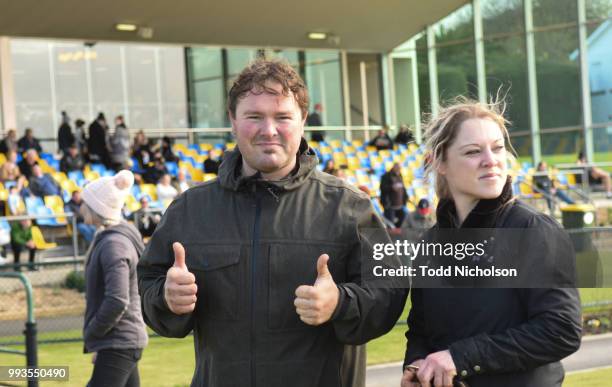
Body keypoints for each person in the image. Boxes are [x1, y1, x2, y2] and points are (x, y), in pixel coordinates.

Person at [137, 59, 407, 386]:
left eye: (282, 117)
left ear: (303, 121)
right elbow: (150, 280)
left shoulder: (349, 207)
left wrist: (340, 302)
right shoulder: (189, 208)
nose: (269, 130)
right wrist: (166, 297)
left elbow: (389, 291)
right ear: (233, 121)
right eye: (254, 117)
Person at [401, 100, 582, 387]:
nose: (491, 160)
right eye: (473, 151)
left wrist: (460, 358)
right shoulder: (430, 244)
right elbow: (421, 329)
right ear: (439, 162)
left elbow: (560, 330)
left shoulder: (532, 229)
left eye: (497, 148)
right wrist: (416, 364)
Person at [81, 170, 148, 387]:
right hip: (119, 341)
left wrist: (94, 332)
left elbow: (117, 300)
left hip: (120, 341)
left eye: (85, 202)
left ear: (97, 207)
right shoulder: (110, 239)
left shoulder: (114, 245)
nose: (80, 207)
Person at [380, 163, 408, 228]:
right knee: (390, 225)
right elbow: (382, 188)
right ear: (393, 168)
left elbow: (403, 188)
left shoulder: (400, 176)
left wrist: (405, 198)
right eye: (397, 168)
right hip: (390, 206)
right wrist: (392, 187)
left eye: (399, 169)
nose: (399, 170)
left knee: (402, 222)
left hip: (400, 206)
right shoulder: (386, 176)